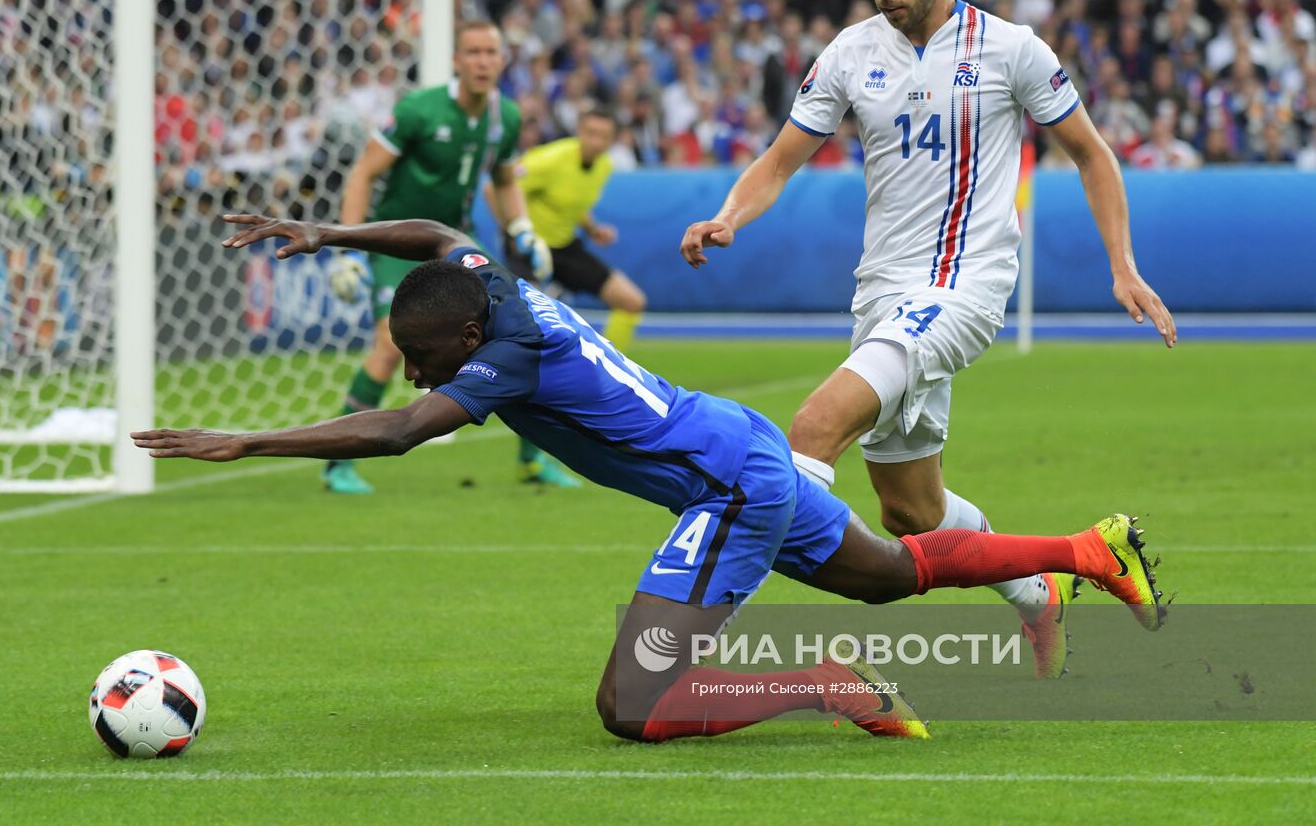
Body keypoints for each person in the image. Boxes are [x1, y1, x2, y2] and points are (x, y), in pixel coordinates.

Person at [133, 213, 1165, 743]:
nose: (420, 372)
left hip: (726, 490)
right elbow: (434, 239)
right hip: (738, 442)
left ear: (462, 337)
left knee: (632, 708)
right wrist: (328, 236)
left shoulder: (505, 356)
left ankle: (817, 682)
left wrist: (250, 441)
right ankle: (1086, 550)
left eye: (429, 356)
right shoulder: (488, 289)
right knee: (887, 574)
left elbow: (401, 432)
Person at [679, 0, 1177, 680]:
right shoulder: (850, 53)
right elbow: (778, 160)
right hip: (883, 295)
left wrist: (1123, 264)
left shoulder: (1011, 49)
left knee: (811, 429)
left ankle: (697, 638)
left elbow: (1091, 153)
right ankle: (1050, 584)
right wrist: (729, 214)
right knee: (912, 512)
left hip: (963, 291)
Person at [325, 19, 569, 493]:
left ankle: (532, 459)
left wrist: (522, 229)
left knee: (518, 334)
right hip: (399, 244)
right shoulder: (418, 110)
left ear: (502, 60)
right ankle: (339, 462)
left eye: (491, 53)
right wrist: (348, 250)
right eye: (473, 53)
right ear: (457, 61)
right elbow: (362, 174)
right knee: (388, 344)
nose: (482, 61)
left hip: (457, 244)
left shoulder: (506, 118)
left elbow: (503, 179)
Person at [491, 107, 647, 356]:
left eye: (603, 136)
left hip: (565, 247)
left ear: (612, 140)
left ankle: (608, 368)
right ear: (578, 132)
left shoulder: (604, 166)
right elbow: (494, 188)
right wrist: (511, 232)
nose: (595, 141)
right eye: (590, 133)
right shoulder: (549, 159)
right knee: (521, 324)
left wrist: (593, 228)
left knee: (631, 301)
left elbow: (571, 202)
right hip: (528, 249)